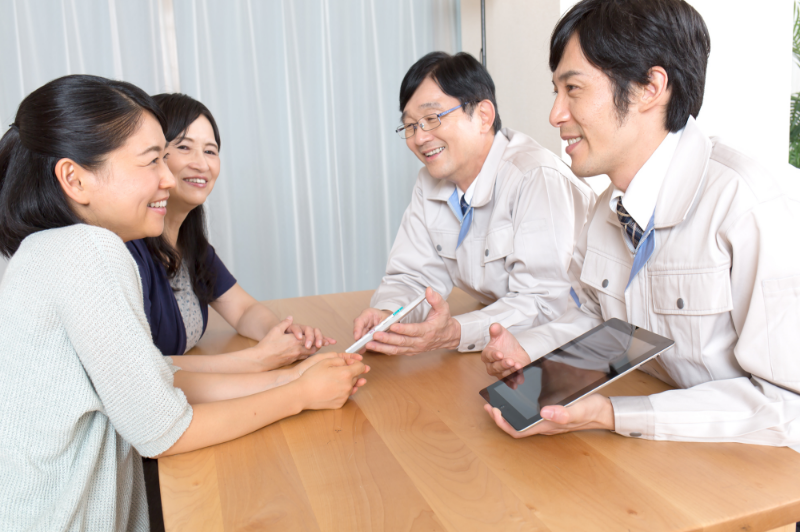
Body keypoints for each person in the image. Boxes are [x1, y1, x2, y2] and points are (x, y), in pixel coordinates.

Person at [0, 75, 368, 531]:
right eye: (153, 161)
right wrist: (299, 394)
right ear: (74, 178)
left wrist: (290, 375)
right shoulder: (90, 251)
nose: (168, 178)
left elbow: (155, 380)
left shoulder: (54, 250)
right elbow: (164, 429)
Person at [482, 0, 800, 445]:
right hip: (676, 453)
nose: (555, 114)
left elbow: (789, 406)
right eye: (556, 91)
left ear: (651, 87)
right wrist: (533, 352)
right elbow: (603, 326)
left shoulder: (751, 206)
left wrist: (615, 414)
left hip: (764, 472)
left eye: (572, 89)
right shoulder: (609, 208)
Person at [352, 51, 595, 356]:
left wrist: (456, 333)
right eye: (411, 125)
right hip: (499, 343)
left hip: (566, 350)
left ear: (483, 116)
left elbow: (544, 302)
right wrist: (388, 314)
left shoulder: (536, 178)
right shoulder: (429, 184)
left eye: (431, 118)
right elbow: (412, 277)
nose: (420, 137)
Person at [126, 93, 332, 373]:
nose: (202, 164)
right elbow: (143, 372)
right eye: (184, 147)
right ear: (154, 154)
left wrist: (281, 334)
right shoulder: (127, 251)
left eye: (210, 151)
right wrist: (257, 360)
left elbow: (243, 310)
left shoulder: (191, 243)